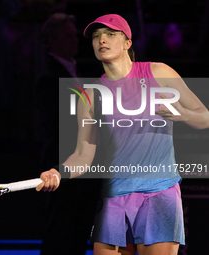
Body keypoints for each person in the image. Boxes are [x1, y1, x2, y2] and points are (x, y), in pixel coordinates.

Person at [36, 14, 209, 255]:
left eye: (110, 34)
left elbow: (205, 117)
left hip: (159, 193)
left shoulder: (159, 73)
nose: (101, 40)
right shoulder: (90, 95)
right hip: (114, 199)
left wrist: (183, 115)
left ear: (127, 42)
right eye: (96, 36)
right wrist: (58, 172)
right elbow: (83, 155)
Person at [35, 13, 101, 255]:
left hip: (87, 166)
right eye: (67, 36)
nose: (74, 40)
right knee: (60, 231)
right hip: (63, 165)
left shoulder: (79, 73)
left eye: (75, 35)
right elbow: (58, 125)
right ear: (51, 40)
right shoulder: (49, 78)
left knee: (79, 231)